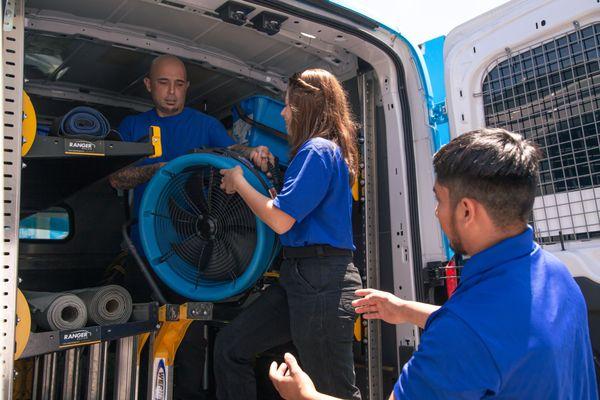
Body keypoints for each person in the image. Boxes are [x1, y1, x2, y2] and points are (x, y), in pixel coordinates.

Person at [269, 128, 599, 400]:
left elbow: (472, 335)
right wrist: (405, 310)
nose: (437, 212)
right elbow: (499, 336)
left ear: (467, 211)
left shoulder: (460, 334)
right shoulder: (558, 275)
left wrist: (305, 395)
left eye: (440, 200)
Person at [108, 54, 272, 400]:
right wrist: (168, 168)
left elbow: (233, 154)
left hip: (196, 254)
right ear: (149, 85)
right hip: (145, 252)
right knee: (135, 339)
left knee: (189, 344)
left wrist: (256, 153)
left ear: (186, 88)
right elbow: (117, 179)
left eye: (179, 84)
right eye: (164, 83)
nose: (172, 92)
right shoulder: (133, 127)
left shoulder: (205, 125)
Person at [216, 68, 362, 400]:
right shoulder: (317, 153)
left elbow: (280, 220)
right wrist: (268, 175)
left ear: (307, 106)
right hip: (299, 277)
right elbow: (289, 207)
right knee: (230, 347)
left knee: (331, 393)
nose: (283, 113)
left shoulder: (317, 150)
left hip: (321, 281)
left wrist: (239, 183)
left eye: (288, 105)